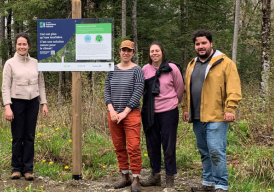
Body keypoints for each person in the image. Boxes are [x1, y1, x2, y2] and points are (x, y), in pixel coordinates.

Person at [182, 30, 242, 192]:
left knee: (216, 150)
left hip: (217, 115)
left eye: (203, 43)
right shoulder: (192, 64)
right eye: (197, 44)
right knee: (204, 151)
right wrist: (186, 108)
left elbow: (234, 87)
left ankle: (221, 185)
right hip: (197, 116)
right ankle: (208, 183)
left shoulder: (225, 62)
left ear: (211, 43)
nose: (200, 46)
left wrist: (230, 108)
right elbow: (187, 90)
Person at [2, 32, 48, 181]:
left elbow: (41, 84)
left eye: (24, 44)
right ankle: (16, 168)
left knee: (29, 136)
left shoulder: (36, 62)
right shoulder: (10, 63)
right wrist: (7, 106)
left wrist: (44, 103)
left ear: (29, 46)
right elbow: (5, 87)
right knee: (17, 136)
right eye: (19, 44)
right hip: (17, 102)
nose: (22, 46)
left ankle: (28, 169)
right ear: (15, 46)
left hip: (33, 102)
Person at [140, 42, 184, 191]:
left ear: (162, 52)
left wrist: (171, 103)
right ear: (149, 54)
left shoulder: (172, 68)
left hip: (169, 112)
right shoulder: (145, 69)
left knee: (168, 146)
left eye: (157, 50)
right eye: (152, 51)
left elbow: (179, 89)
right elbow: (141, 90)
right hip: (150, 113)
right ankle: (155, 175)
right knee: (152, 145)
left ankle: (170, 179)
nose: (154, 53)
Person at [104, 40, 144, 192]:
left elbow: (138, 91)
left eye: (129, 50)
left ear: (133, 53)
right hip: (113, 114)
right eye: (123, 50)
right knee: (119, 146)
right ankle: (124, 175)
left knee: (133, 147)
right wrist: (112, 110)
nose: (126, 53)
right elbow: (107, 90)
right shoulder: (112, 69)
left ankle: (135, 178)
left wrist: (125, 112)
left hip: (131, 114)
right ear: (119, 52)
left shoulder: (137, 70)